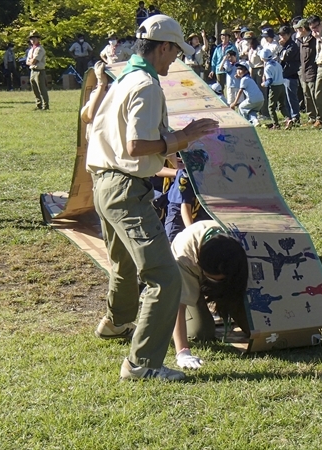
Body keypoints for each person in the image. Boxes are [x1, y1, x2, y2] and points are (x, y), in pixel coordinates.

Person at [86, 14, 219, 381]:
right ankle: (142, 364)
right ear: (163, 47)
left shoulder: (125, 77)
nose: (175, 59)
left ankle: (116, 323)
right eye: (175, 51)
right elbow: (135, 144)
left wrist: (166, 150)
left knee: (125, 265)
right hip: (126, 189)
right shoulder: (146, 84)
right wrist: (183, 138)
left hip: (105, 183)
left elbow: (116, 135)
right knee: (165, 276)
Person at [171, 220, 250, 370]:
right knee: (201, 332)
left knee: (252, 328)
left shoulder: (235, 247)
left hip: (223, 277)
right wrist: (183, 352)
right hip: (187, 278)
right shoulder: (183, 256)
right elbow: (177, 306)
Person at [164, 168, 211, 242]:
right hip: (179, 211)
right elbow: (185, 206)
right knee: (174, 241)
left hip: (204, 210)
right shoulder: (187, 174)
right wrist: (192, 232)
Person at [260, 48, 293, 130]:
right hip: (282, 86)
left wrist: (264, 84)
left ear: (263, 58)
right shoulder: (277, 64)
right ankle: (288, 119)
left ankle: (276, 124)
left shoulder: (268, 67)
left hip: (274, 88)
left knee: (271, 107)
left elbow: (270, 80)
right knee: (282, 105)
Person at [294, 19, 319, 124]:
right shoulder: (300, 40)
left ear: (303, 28)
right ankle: (311, 117)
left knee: (315, 95)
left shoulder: (313, 39)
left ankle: (319, 117)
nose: (297, 31)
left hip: (312, 70)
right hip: (303, 71)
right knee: (306, 95)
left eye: (299, 28)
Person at [277, 25, 301, 123]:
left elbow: (285, 56)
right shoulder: (283, 46)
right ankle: (289, 117)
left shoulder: (293, 45)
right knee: (285, 98)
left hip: (291, 74)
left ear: (288, 35)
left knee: (292, 97)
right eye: (280, 35)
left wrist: (282, 47)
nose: (281, 37)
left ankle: (295, 116)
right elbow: (279, 56)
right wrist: (281, 47)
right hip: (283, 74)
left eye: (283, 35)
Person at [231, 60, 264, 126]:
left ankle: (244, 122)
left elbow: (240, 91)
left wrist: (234, 103)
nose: (238, 71)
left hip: (253, 99)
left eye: (241, 69)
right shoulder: (248, 78)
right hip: (261, 99)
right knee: (251, 111)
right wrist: (239, 77)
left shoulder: (244, 79)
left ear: (246, 71)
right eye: (237, 69)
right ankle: (255, 121)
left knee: (241, 107)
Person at [26, 30, 49, 110]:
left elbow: (34, 61)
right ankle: (38, 104)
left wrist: (31, 61)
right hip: (32, 71)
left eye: (35, 38)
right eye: (31, 38)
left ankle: (45, 105)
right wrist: (31, 62)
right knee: (35, 89)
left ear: (38, 39)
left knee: (41, 89)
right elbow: (27, 62)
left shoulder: (40, 49)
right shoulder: (31, 50)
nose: (33, 40)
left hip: (39, 71)